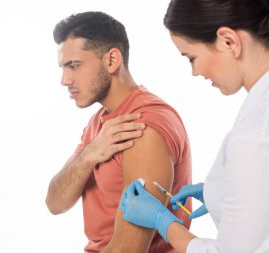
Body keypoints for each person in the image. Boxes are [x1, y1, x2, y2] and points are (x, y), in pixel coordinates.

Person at [120, 0, 269, 252]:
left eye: (191, 58)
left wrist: (162, 221)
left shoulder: (259, 135)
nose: (195, 72)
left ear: (228, 41)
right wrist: (218, 193)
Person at [45, 11, 192, 252]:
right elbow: (55, 202)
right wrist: (90, 154)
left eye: (74, 66)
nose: (65, 79)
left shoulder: (142, 125)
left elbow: (129, 250)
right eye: (63, 67)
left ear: (112, 60)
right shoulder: (100, 124)